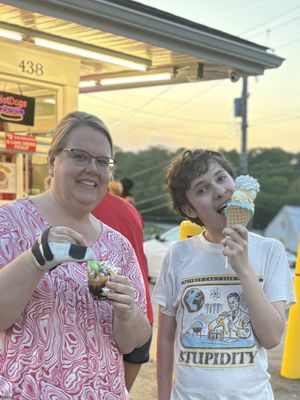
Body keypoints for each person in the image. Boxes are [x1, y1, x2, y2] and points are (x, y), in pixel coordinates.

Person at [0, 111, 151, 399]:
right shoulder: (8, 223)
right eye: (80, 156)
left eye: (102, 161)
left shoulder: (117, 245)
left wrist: (128, 312)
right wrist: (35, 260)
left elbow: (133, 344)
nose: (92, 169)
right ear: (53, 161)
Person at [152, 149, 295, 400]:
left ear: (235, 183)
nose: (218, 191)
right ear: (190, 209)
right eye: (202, 190)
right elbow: (165, 338)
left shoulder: (270, 251)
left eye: (221, 178)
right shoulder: (178, 255)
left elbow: (272, 337)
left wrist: (243, 268)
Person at [92, 191, 154, 391]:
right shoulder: (130, 209)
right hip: (142, 309)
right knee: (120, 393)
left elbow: (97, 271)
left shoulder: (85, 209)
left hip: (107, 316)